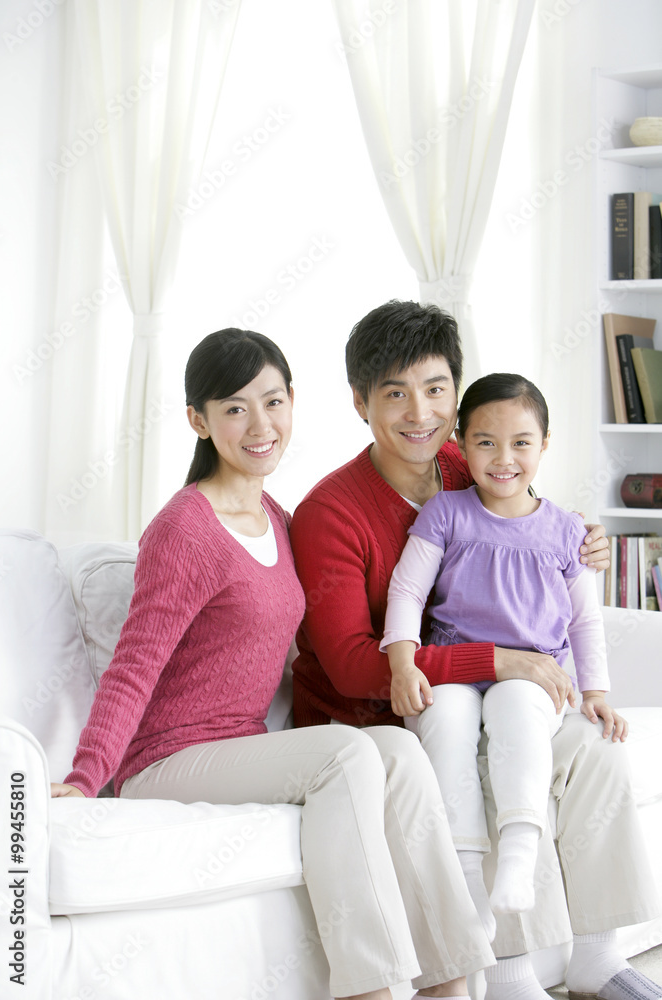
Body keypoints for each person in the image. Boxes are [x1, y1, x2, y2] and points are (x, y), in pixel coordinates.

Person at [51, 328, 496, 1000]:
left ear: (294, 402)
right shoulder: (184, 530)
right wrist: (87, 779)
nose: (260, 425)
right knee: (345, 755)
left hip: (242, 749)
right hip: (164, 762)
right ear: (198, 421)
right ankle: (370, 989)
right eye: (234, 408)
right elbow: (133, 666)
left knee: (397, 756)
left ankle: (449, 986)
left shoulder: (275, 517)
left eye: (273, 401)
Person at [289, 302, 662, 1000]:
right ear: (358, 402)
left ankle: (595, 954)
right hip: (377, 714)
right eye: (393, 393)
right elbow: (349, 664)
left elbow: (525, 536)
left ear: (456, 398)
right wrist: (498, 662)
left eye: (434, 390)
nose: (417, 412)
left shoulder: (467, 463)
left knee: (594, 745)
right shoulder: (330, 512)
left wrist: (585, 547)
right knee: (492, 753)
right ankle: (512, 973)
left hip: (475, 688)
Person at [380, 372, 626, 941]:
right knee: (445, 720)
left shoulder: (568, 531)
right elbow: (408, 591)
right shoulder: (445, 512)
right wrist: (402, 661)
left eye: (521, 442)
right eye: (486, 442)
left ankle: (518, 850)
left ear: (544, 445)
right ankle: (466, 879)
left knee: (516, 705)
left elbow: (586, 619)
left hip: (533, 674)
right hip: (454, 665)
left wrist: (596, 694)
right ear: (461, 446)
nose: (503, 458)